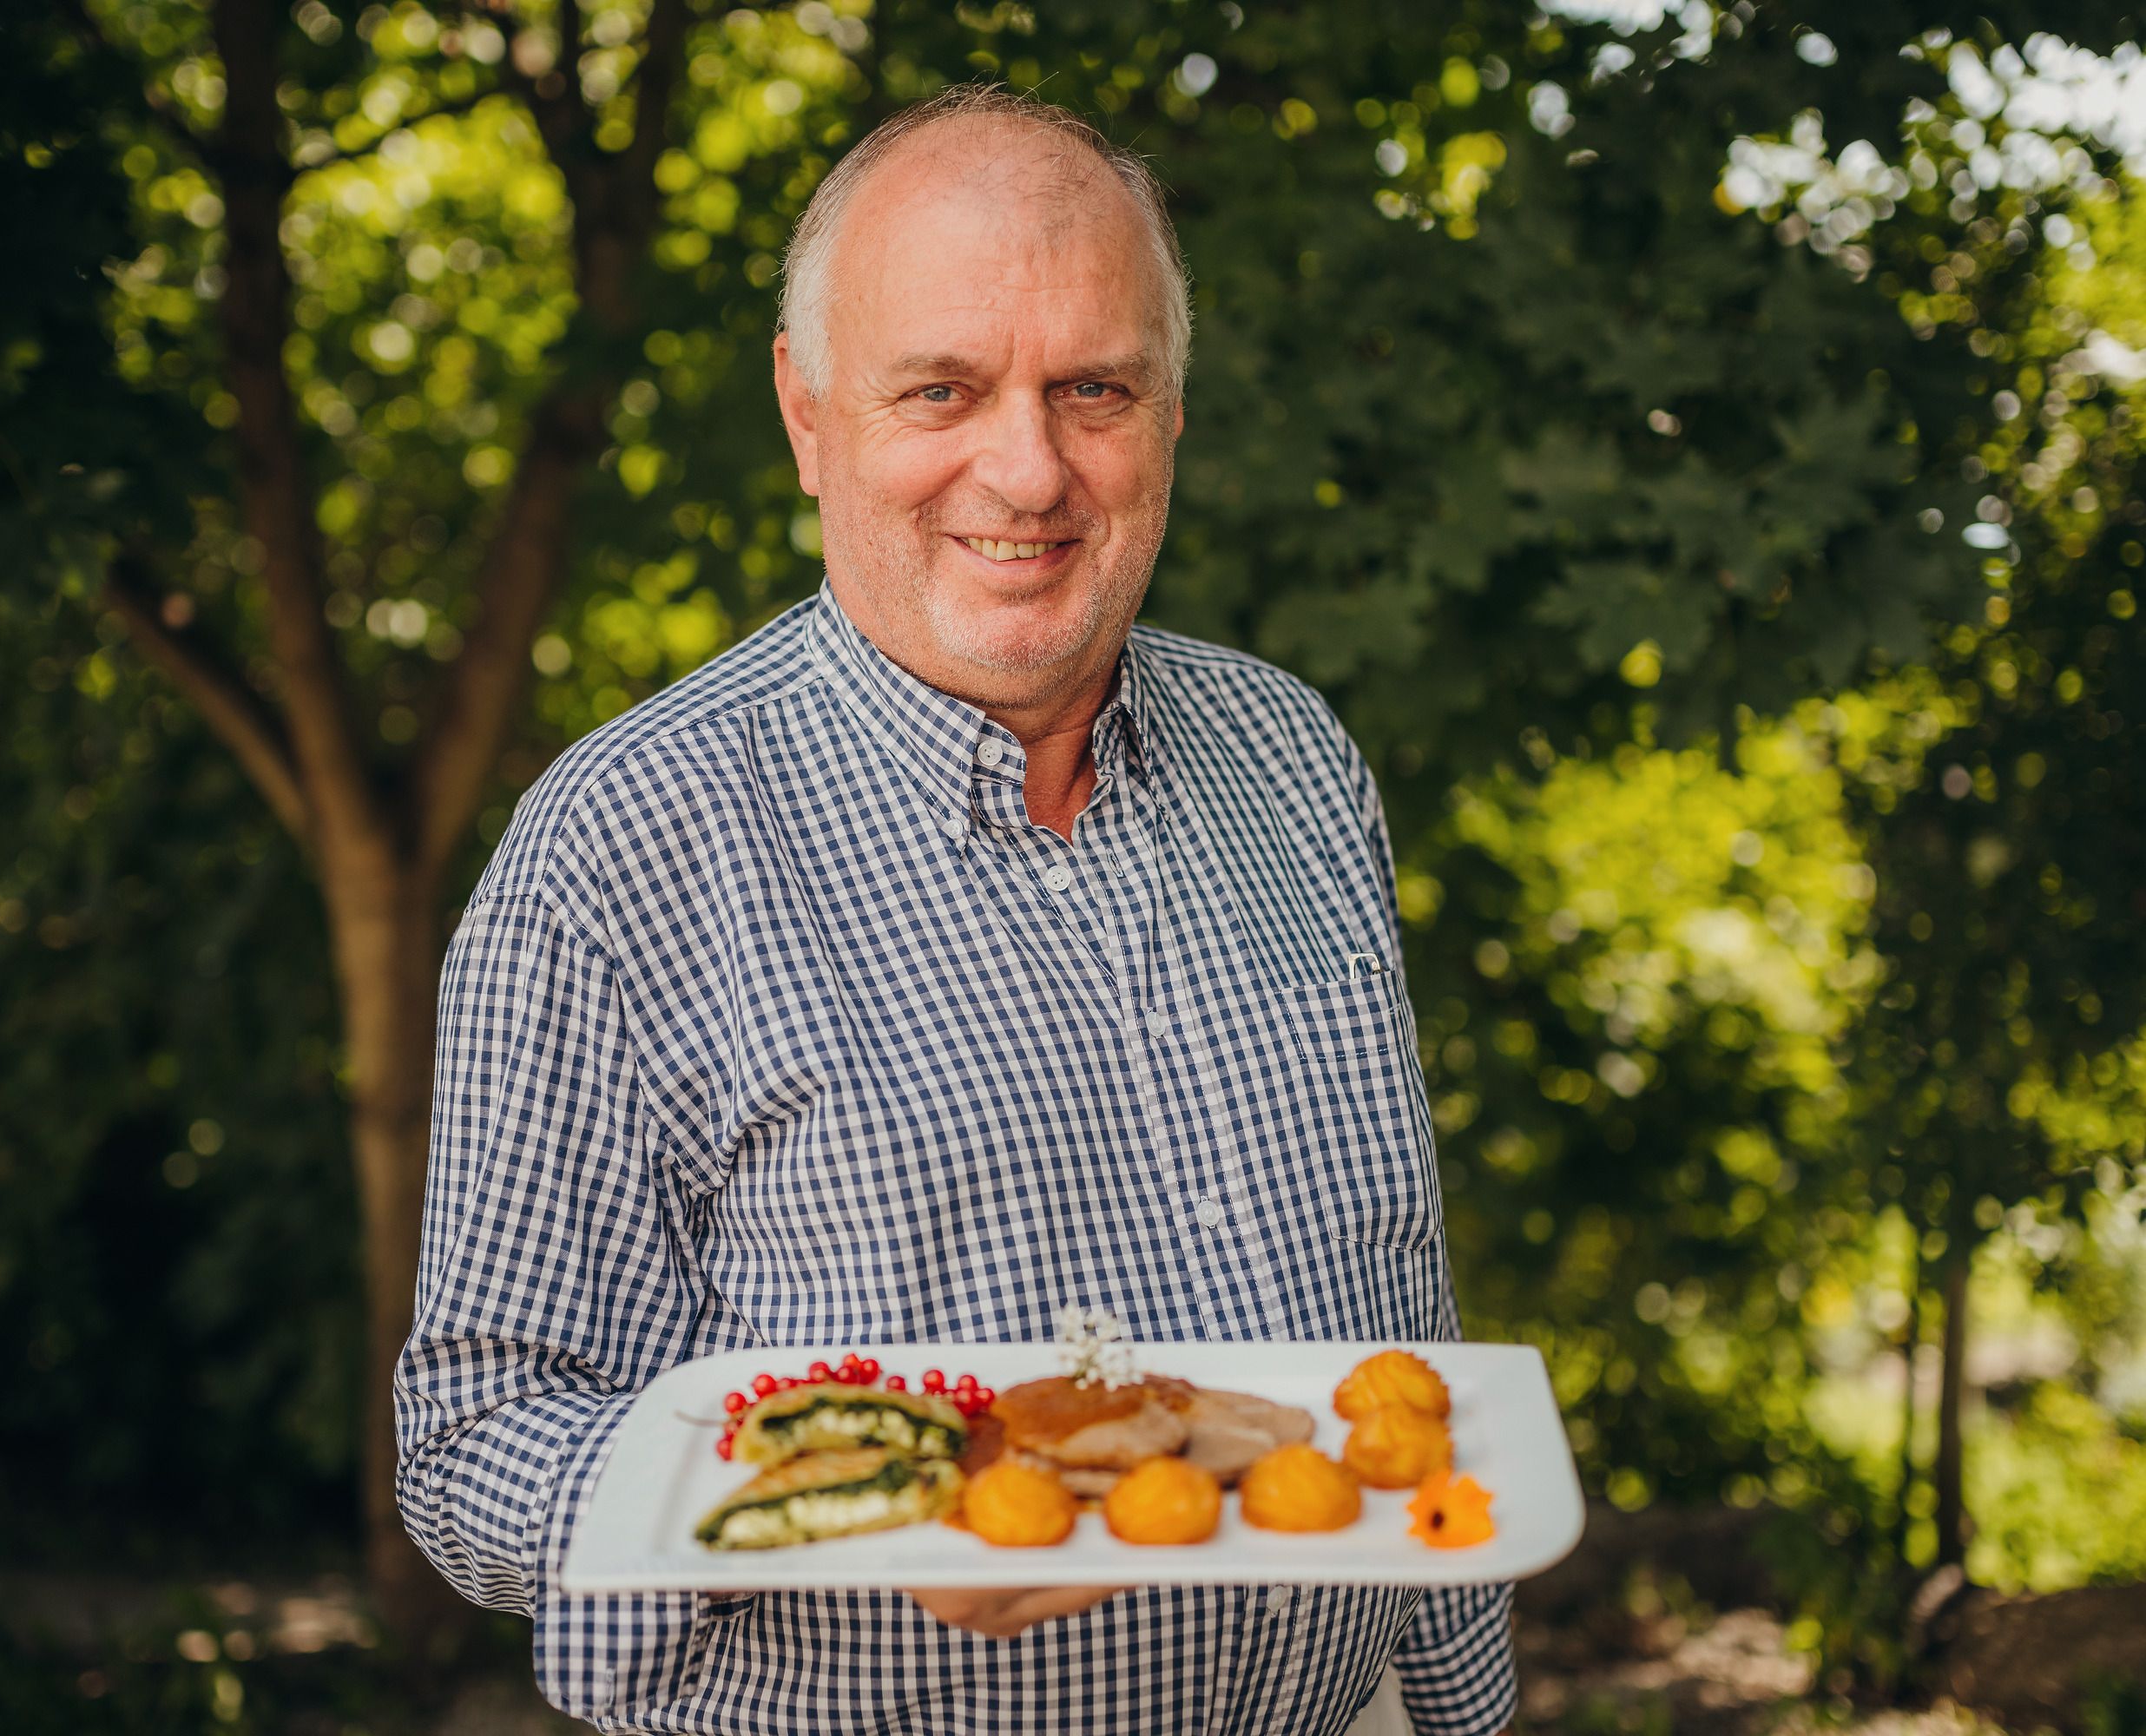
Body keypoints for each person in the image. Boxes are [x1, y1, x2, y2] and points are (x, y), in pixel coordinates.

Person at [396, 85, 1517, 1736]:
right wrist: (852, 1509)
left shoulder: (1292, 758)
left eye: (1095, 389)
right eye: (942, 387)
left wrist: (1459, 1713)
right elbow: (477, 1441)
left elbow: (1397, 1320)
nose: (1030, 466)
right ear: (807, 413)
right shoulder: (619, 848)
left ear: (1173, 413)